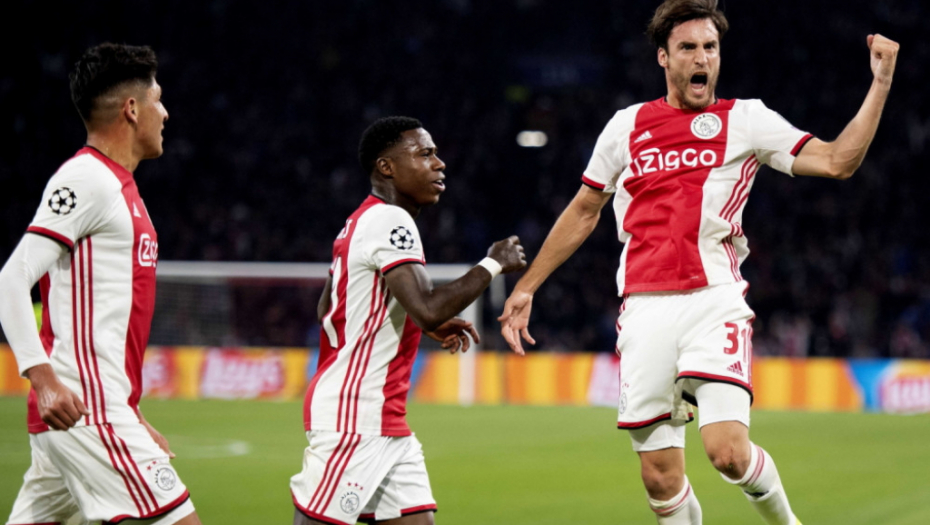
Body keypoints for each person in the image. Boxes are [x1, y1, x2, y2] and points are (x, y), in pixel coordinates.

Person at [498, 1, 899, 524]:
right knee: (660, 477)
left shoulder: (746, 119)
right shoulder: (626, 126)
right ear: (663, 57)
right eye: (687, 47)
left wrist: (881, 82)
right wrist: (527, 286)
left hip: (714, 299)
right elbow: (583, 210)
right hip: (644, 308)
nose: (701, 57)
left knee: (728, 452)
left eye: (710, 47)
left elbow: (836, 160)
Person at [0, 43, 201, 525]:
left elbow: (103, 322)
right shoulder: (87, 178)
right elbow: (12, 277)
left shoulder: (120, 187)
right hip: (88, 409)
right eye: (158, 100)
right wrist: (43, 380)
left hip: (93, 408)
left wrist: (133, 412)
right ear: (131, 109)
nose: (165, 113)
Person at [290, 116, 526, 525]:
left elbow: (329, 306)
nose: (439, 163)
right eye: (424, 154)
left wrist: (414, 322)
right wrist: (492, 264)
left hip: (385, 417)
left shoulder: (359, 221)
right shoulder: (390, 219)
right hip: (356, 413)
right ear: (386, 167)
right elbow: (429, 306)